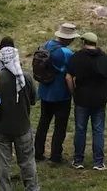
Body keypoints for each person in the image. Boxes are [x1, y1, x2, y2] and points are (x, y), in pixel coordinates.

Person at [0, 44, 39, 191]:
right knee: (27, 161)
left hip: (1, 127)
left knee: (3, 163)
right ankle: (32, 187)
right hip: (23, 127)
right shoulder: (26, 78)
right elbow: (34, 100)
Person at [67, 32, 107, 171]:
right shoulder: (105, 58)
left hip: (81, 98)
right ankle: (98, 163)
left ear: (83, 42)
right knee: (98, 130)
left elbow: (68, 77)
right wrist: (106, 93)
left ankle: (78, 161)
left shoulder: (77, 57)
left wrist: (73, 92)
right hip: (100, 99)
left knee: (80, 129)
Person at [35, 22, 78, 165]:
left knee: (43, 122)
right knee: (60, 126)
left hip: (44, 91)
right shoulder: (67, 53)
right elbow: (71, 73)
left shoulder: (46, 45)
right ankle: (55, 156)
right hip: (61, 94)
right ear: (67, 38)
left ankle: (38, 153)